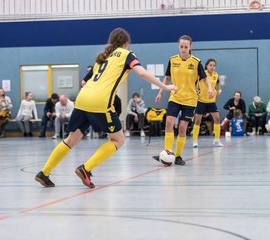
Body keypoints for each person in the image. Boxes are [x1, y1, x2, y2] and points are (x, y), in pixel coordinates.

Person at [35, 27, 177, 188]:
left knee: (71, 139)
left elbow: (83, 82)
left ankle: (44, 173)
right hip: (100, 102)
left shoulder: (102, 57)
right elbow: (142, 73)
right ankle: (85, 169)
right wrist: (165, 87)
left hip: (82, 99)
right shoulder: (127, 55)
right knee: (118, 139)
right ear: (126, 43)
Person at [153, 35, 213, 166]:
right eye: (181, 46)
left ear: (190, 47)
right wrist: (160, 92)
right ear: (178, 46)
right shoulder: (172, 60)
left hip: (190, 100)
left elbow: (205, 78)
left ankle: (178, 156)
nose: (183, 49)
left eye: (186, 47)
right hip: (175, 97)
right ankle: (167, 152)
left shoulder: (196, 62)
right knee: (169, 122)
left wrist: (209, 88)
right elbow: (167, 78)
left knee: (182, 127)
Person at [192, 58, 223, 148]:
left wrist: (219, 89)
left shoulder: (215, 75)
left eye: (214, 65)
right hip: (201, 100)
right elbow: (194, 83)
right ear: (206, 66)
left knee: (217, 119)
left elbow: (218, 82)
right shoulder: (202, 74)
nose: (212, 67)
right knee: (197, 121)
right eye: (210, 65)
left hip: (211, 101)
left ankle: (217, 140)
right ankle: (195, 141)